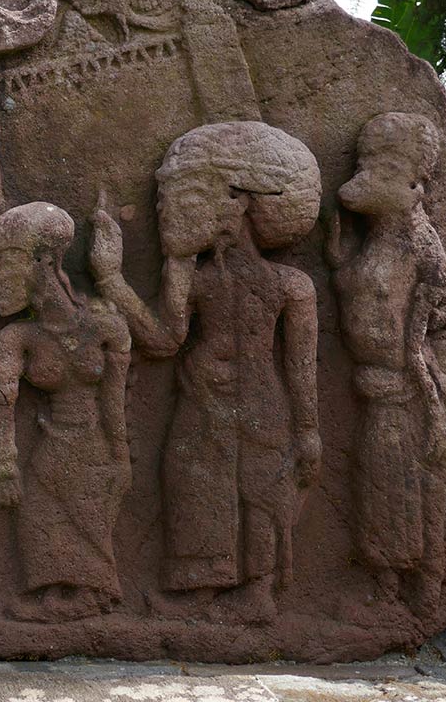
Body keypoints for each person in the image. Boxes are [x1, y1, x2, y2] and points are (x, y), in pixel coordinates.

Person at [93, 121, 322, 623]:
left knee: (259, 493)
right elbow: (164, 339)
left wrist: (309, 431)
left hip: (262, 402)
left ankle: (257, 593)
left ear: (237, 202)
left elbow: (301, 368)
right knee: (194, 486)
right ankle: (200, 589)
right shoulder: (189, 275)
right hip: (201, 401)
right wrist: (111, 279)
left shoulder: (292, 285)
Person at [327, 112, 446, 617]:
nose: (360, 179)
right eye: (362, 165)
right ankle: (388, 586)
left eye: (376, 169)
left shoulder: (419, 242)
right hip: (376, 386)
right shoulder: (376, 241)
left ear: (412, 185)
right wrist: (339, 258)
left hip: (406, 391)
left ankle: (413, 588)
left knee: (400, 487)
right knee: (378, 484)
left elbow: (440, 323)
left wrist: (430, 388)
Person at [0, 201, 133, 623]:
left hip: (95, 445)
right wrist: (4, 457)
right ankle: (52, 593)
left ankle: (90, 595)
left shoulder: (107, 327)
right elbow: (4, 396)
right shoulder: (19, 336)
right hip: (48, 450)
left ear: (43, 259)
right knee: (39, 520)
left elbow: (113, 402)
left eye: (2, 261)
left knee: (89, 521)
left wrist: (122, 459)